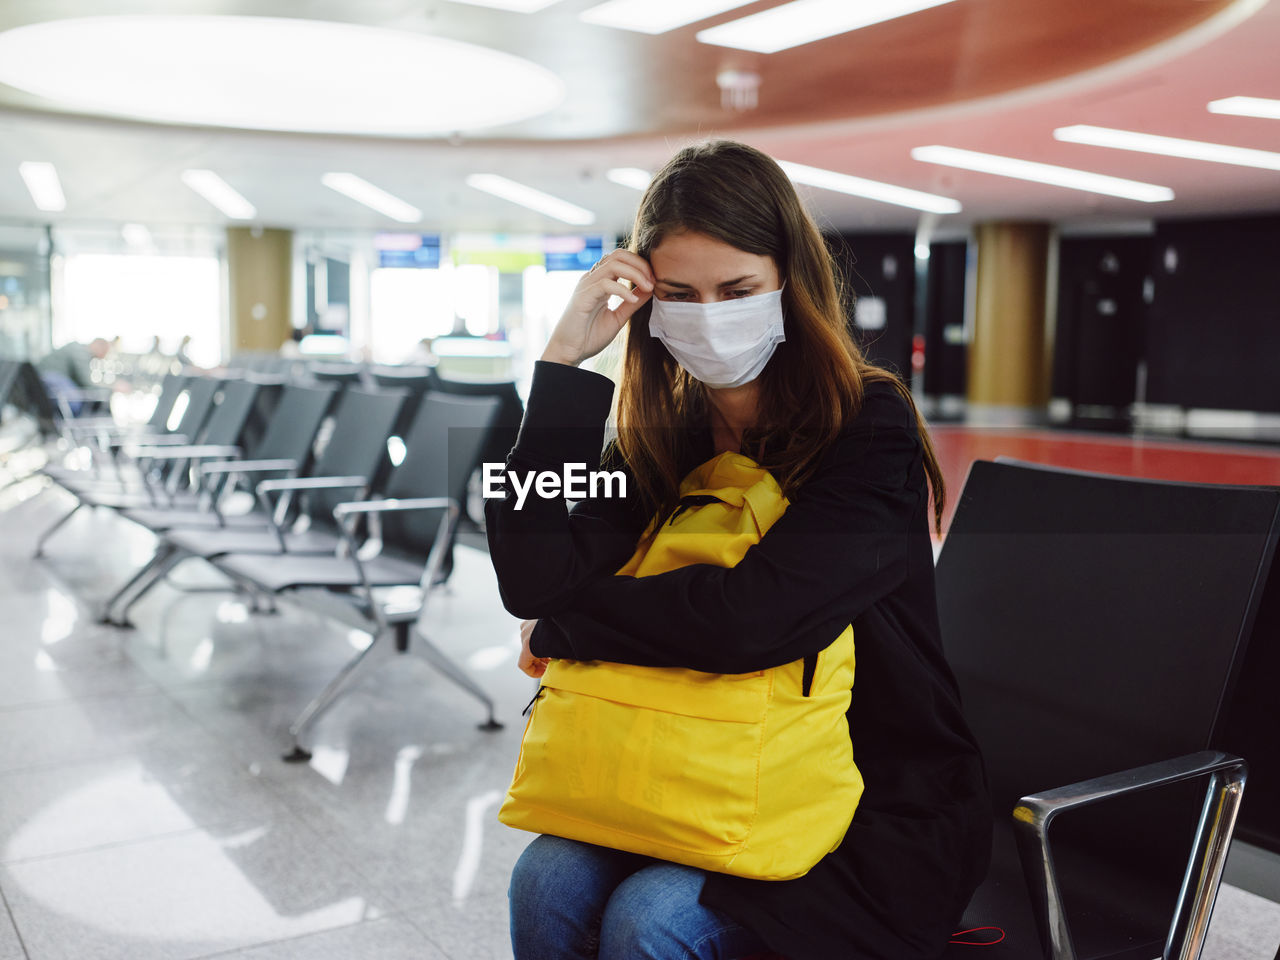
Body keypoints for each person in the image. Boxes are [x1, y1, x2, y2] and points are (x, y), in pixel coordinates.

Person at [485, 140, 991, 960]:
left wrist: (564, 633)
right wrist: (561, 366)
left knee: (652, 917)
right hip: (692, 764)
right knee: (545, 880)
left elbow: (747, 623)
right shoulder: (664, 435)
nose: (710, 313)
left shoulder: (869, 426)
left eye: (737, 289)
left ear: (788, 281)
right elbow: (532, 579)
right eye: (680, 293)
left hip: (870, 793)